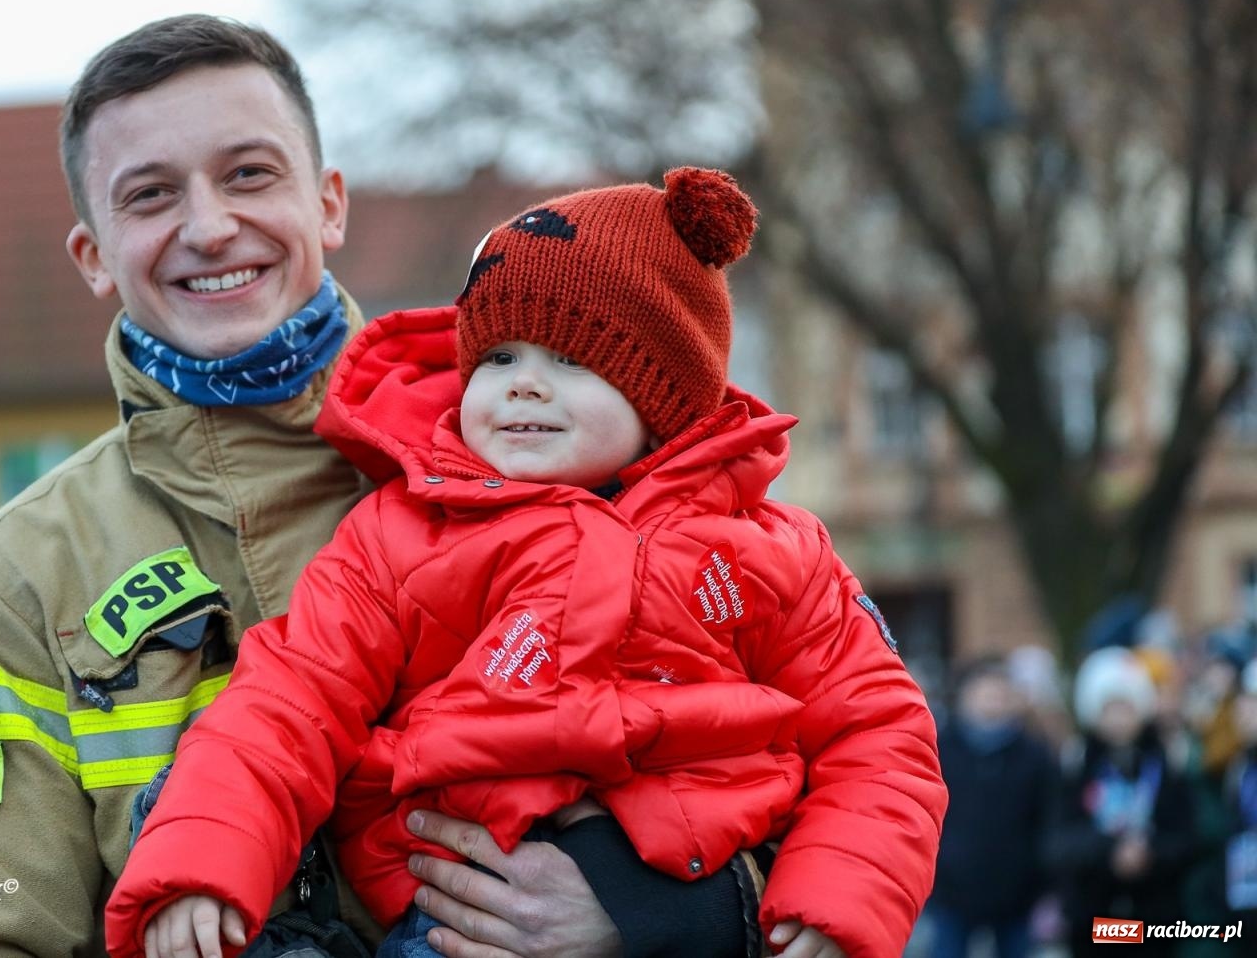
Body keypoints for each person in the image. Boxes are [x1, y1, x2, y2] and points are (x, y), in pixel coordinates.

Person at [0, 14, 680, 958]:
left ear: (330, 204)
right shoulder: (0, 588)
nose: (211, 228)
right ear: (94, 256)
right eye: (150, 194)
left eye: (249, 173)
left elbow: (832, 764)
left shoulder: (563, 452)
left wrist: (652, 916)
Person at [104, 170, 947, 958]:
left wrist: (835, 901)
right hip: (453, 915)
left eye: (572, 360)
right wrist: (204, 860)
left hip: (694, 897)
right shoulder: (401, 534)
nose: (523, 386)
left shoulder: (769, 548)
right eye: (498, 358)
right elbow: (288, 699)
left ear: (664, 401)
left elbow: (876, 732)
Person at [1045, 646, 1196, 958]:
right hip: (1093, 914)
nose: (1117, 719)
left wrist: (1150, 853)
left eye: (1125, 707)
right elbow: (1059, 840)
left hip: (1154, 914)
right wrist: (1109, 851)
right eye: (1108, 708)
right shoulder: (1078, 763)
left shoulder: (1165, 761)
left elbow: (1186, 835)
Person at [928, 656, 1056, 958]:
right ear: (965, 696)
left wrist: (1044, 882)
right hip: (950, 891)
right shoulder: (940, 747)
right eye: (985, 692)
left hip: (1017, 893)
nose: (994, 701)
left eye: (1001, 693)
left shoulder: (1035, 755)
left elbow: (1048, 819)